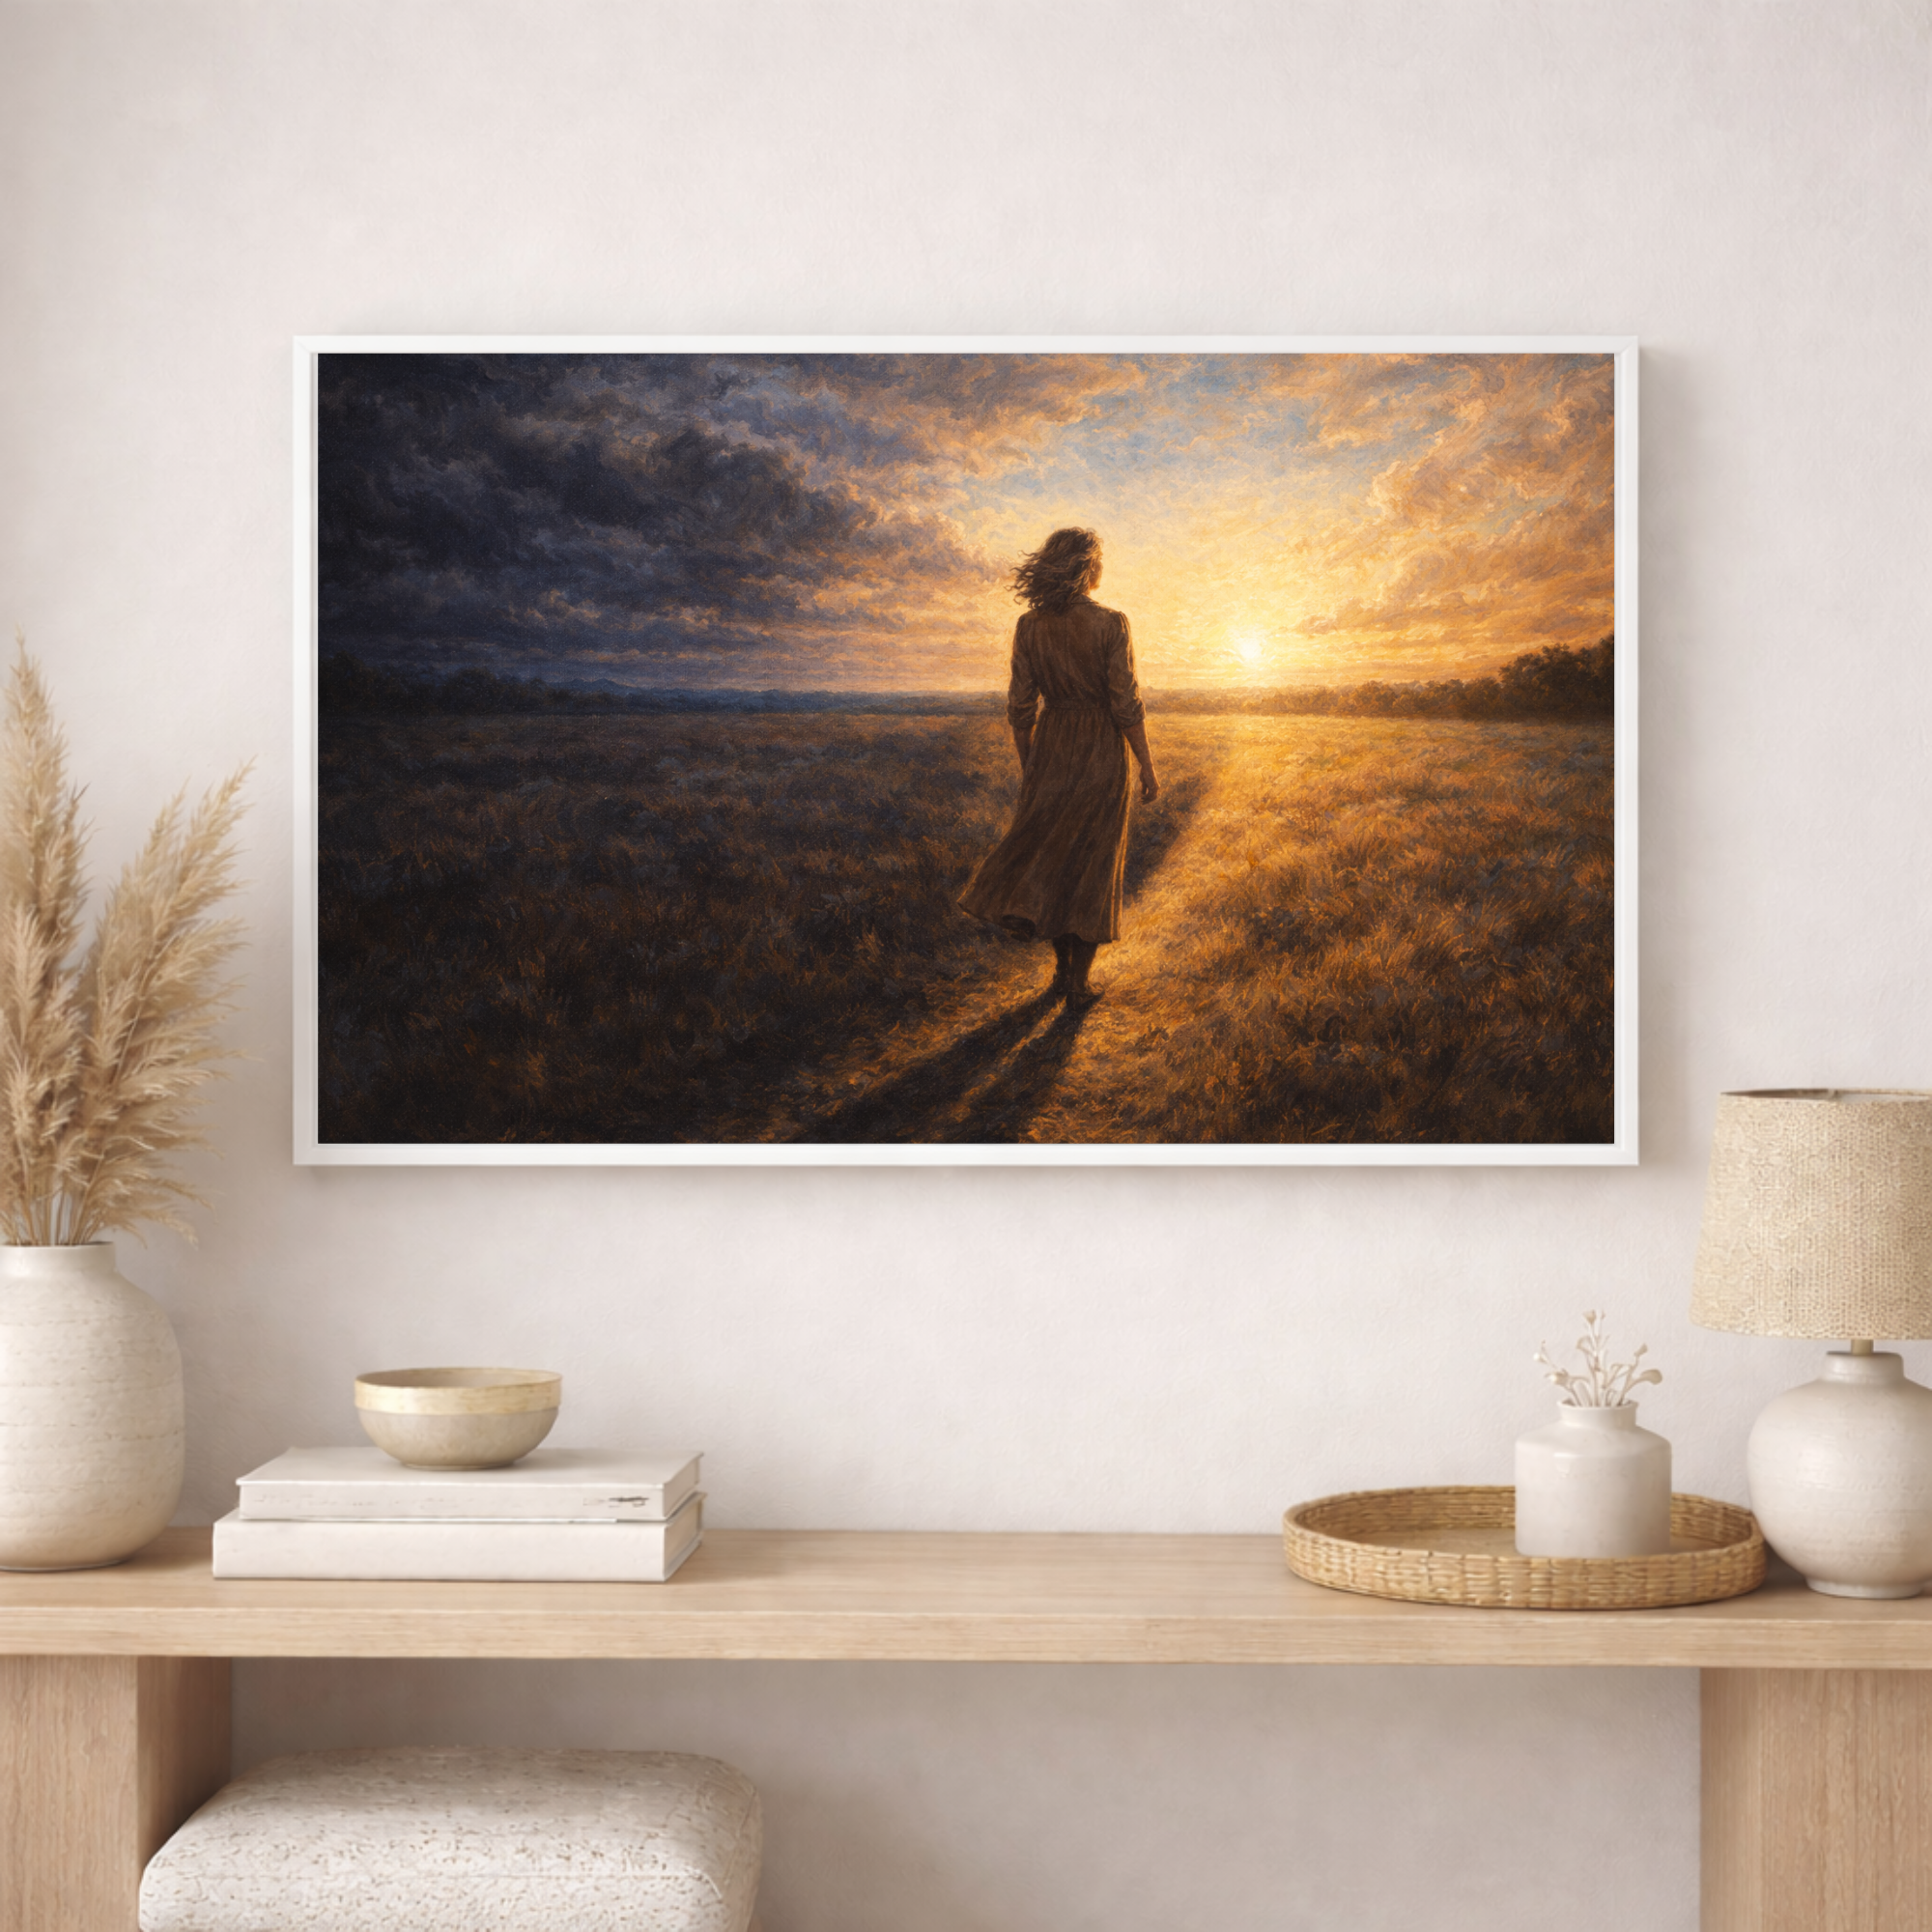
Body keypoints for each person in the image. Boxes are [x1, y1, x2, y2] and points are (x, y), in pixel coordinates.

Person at [958, 526, 1159, 1003]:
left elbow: (1021, 705)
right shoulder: (1112, 623)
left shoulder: (1030, 626)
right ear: (1088, 566)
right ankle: (1077, 983)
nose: (1103, 567)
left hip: (1051, 747)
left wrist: (1031, 765)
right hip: (1100, 750)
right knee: (1090, 864)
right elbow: (1126, 704)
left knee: (1052, 863)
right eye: (1101, 559)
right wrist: (1146, 765)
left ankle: (1059, 974)